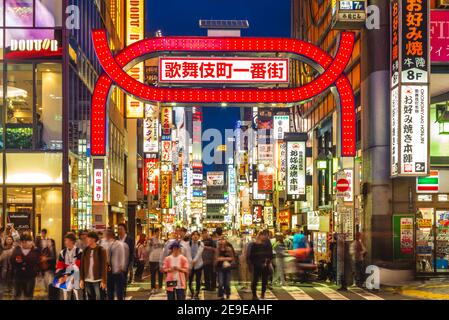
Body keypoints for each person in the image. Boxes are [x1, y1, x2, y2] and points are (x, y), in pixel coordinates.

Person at [10, 234, 40, 300]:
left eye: (26, 242)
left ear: (31, 242)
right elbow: (11, 260)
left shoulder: (35, 250)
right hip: (18, 276)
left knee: (28, 295)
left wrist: (36, 270)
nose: (24, 243)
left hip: (30, 276)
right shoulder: (17, 249)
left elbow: (38, 261)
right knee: (17, 295)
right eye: (22, 242)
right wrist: (15, 261)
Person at [80, 232, 108, 300]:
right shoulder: (85, 250)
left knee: (100, 297)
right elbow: (82, 266)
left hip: (98, 279)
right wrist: (81, 279)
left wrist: (103, 280)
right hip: (88, 280)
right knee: (90, 298)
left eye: (88, 238)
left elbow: (104, 266)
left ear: (93, 239)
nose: (86, 240)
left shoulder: (101, 250)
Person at [55, 233, 82, 300]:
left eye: (67, 240)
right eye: (65, 240)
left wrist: (66, 276)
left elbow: (77, 265)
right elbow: (59, 266)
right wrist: (60, 277)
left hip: (76, 276)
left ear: (72, 241)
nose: (65, 242)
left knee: (78, 296)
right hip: (65, 276)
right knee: (66, 296)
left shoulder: (79, 251)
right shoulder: (62, 252)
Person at [248, 232, 273, 300]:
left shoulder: (267, 243)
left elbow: (270, 254)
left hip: (265, 264)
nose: (264, 237)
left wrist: (268, 260)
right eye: (262, 235)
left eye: (265, 235)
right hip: (257, 265)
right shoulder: (254, 244)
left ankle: (262, 294)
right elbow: (251, 256)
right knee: (255, 281)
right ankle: (254, 295)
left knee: (264, 281)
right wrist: (254, 263)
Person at [105, 229, 127, 300]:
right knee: (109, 291)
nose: (105, 237)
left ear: (110, 235)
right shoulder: (106, 244)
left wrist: (121, 267)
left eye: (106, 235)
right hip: (109, 270)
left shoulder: (118, 244)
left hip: (118, 270)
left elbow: (122, 256)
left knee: (119, 291)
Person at [35, 229, 57, 293]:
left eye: (43, 233)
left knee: (49, 278)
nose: (42, 234)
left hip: (50, 263)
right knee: (43, 278)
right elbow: (37, 252)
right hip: (41, 263)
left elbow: (54, 254)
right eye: (42, 233)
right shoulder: (38, 241)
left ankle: (49, 291)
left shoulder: (51, 241)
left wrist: (48, 259)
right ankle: (46, 291)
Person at [187, 231, 204, 300]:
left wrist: (194, 260)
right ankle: (192, 291)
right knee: (190, 281)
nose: (195, 236)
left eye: (197, 235)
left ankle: (197, 293)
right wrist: (191, 261)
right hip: (190, 266)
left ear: (199, 237)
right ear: (191, 236)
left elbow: (199, 253)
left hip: (198, 265)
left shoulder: (201, 243)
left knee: (198, 280)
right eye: (194, 235)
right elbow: (187, 253)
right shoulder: (188, 243)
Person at [148, 228, 164, 293]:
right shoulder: (151, 240)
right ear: (155, 232)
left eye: (159, 232)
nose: (158, 233)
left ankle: (160, 287)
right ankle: (153, 288)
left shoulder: (162, 241)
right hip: (152, 260)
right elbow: (148, 249)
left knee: (161, 274)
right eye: (157, 232)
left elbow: (163, 250)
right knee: (153, 275)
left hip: (160, 260)